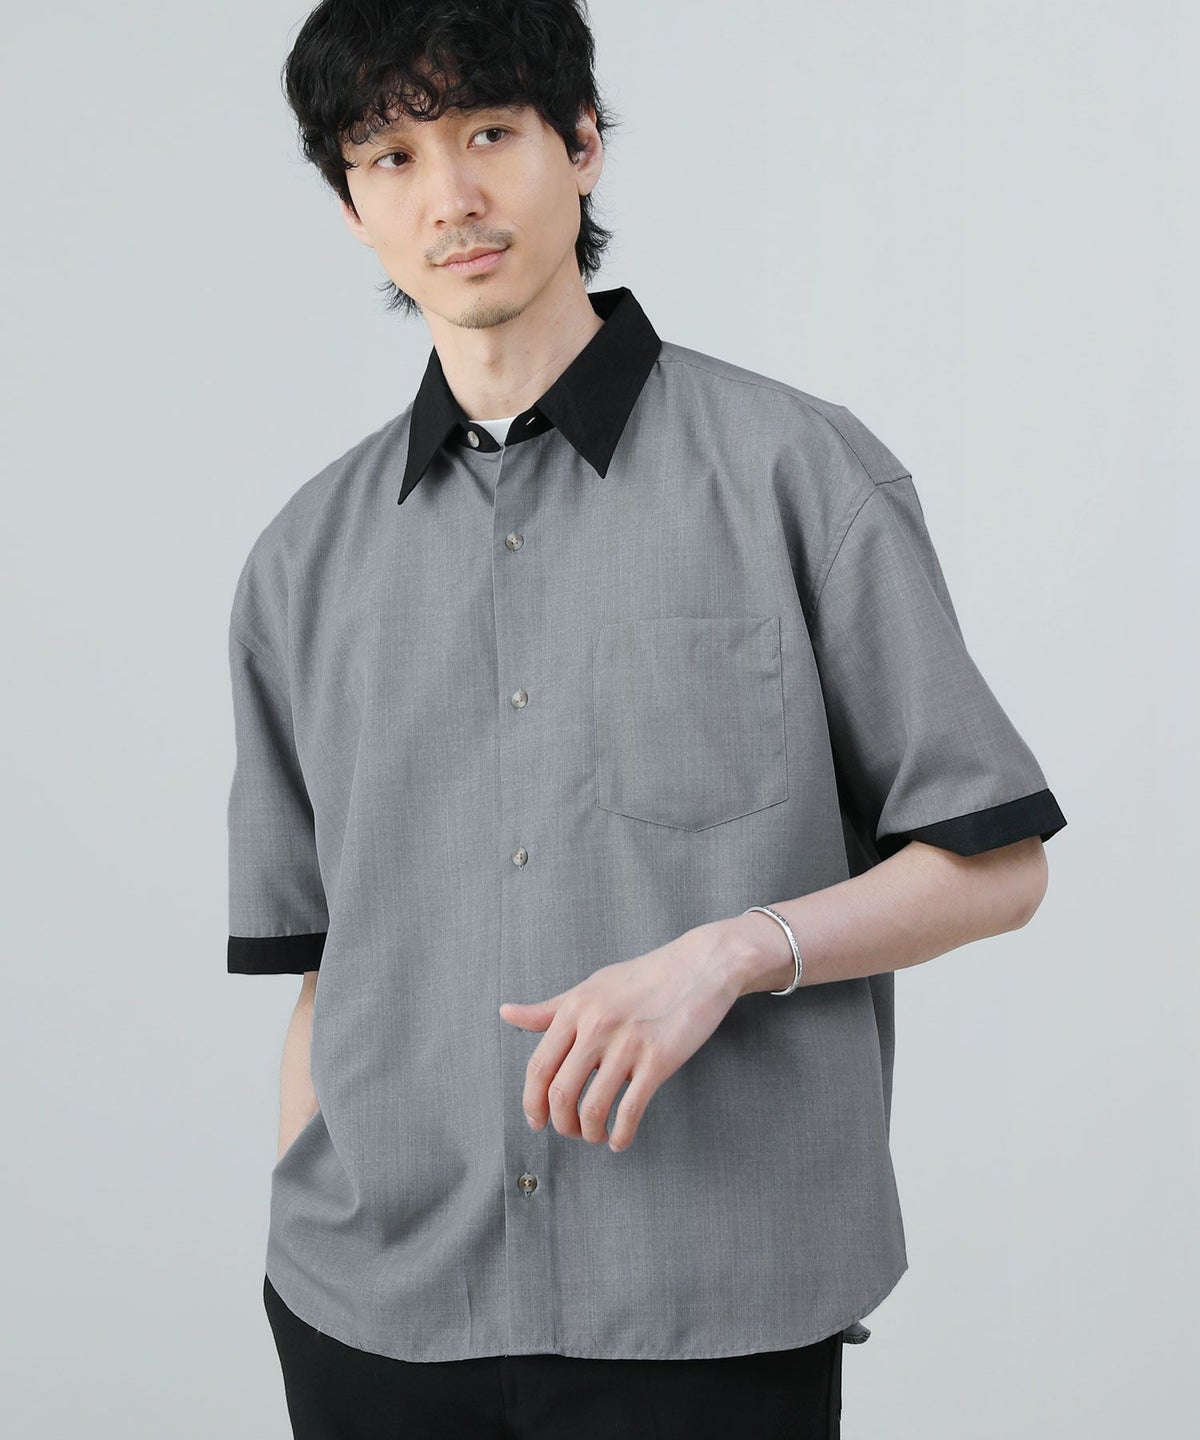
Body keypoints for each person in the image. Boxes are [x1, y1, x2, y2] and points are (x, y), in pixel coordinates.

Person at [225, 2, 1068, 1436]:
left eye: (490, 133)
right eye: (392, 156)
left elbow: (999, 866)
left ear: (582, 146)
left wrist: (736, 952)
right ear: (352, 206)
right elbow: (322, 967)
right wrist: (303, 1238)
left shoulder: (802, 474)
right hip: (373, 1318)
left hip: (713, 1307)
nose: (451, 196)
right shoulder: (302, 560)